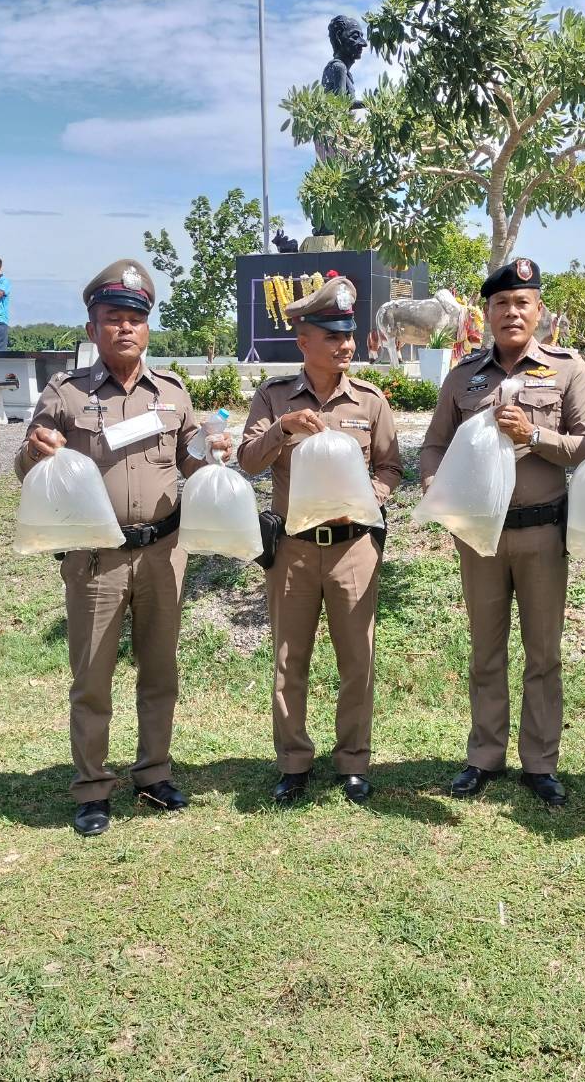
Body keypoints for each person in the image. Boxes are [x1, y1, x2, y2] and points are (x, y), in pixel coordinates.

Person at [16, 259, 231, 836]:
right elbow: (25, 468)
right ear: (93, 328)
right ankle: (92, 786)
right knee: (92, 676)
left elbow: (190, 461)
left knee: (160, 670)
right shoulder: (65, 394)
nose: (126, 327)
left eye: (136, 318)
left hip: (164, 552)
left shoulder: (172, 393)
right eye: (113, 317)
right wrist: (35, 450)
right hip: (95, 556)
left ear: (148, 327)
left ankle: (153, 772)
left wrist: (214, 452)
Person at [421, 257, 585, 808]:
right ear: (488, 313)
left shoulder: (567, 369)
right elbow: (433, 445)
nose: (512, 312)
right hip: (480, 536)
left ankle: (540, 763)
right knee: (485, 650)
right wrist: (436, 488)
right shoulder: (464, 376)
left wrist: (533, 434)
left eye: (522, 303)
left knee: (543, 654)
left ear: (538, 310)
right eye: (501, 303)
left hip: (543, 532)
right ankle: (484, 756)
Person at [239, 273, 402, 806]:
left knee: (358, 660)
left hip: (354, 547)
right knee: (290, 659)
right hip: (293, 548)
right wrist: (282, 428)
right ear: (303, 341)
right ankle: (293, 763)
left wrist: (373, 495)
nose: (346, 346)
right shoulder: (274, 397)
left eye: (349, 335)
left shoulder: (370, 401)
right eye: (333, 336)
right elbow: (248, 461)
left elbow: (390, 466)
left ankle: (353, 761)